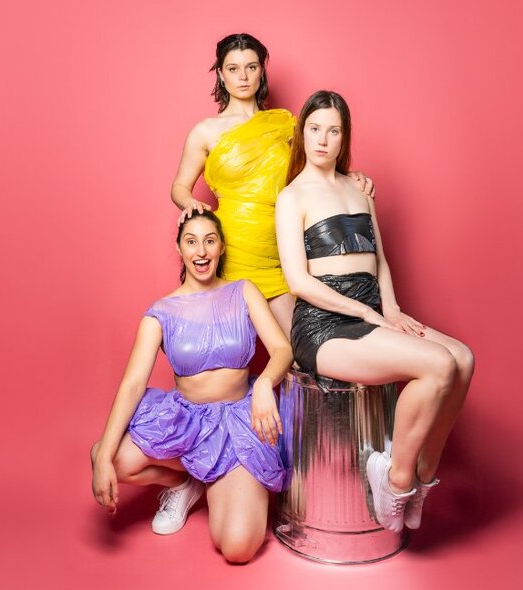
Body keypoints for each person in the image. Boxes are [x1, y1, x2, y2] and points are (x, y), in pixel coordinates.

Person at [275, 90, 475, 533]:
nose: (323, 139)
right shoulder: (292, 197)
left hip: (372, 309)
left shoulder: (359, 188)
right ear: (301, 132)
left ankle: (421, 478)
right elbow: (299, 282)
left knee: (462, 358)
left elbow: (380, 261)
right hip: (324, 325)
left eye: (333, 130)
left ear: (344, 137)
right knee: (438, 364)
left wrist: (393, 309)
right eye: (314, 129)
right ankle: (394, 479)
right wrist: (369, 316)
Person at [90, 210, 292, 563]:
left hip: (240, 426)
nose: (201, 251)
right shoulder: (161, 312)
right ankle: (183, 484)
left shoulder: (242, 292)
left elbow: (281, 349)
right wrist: (105, 457)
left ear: (222, 247)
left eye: (210, 241)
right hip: (187, 426)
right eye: (192, 241)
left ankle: (226, 481)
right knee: (105, 457)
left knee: (238, 548)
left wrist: (264, 386)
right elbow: (133, 383)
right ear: (179, 249)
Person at [170, 33, 375, 333]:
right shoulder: (205, 132)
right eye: (233, 68)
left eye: (251, 67)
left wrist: (350, 175)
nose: (243, 76)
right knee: (224, 347)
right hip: (232, 249)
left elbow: (319, 164)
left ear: (262, 72)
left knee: (299, 349)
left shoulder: (285, 124)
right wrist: (190, 202)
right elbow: (178, 187)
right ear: (221, 74)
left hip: (281, 249)